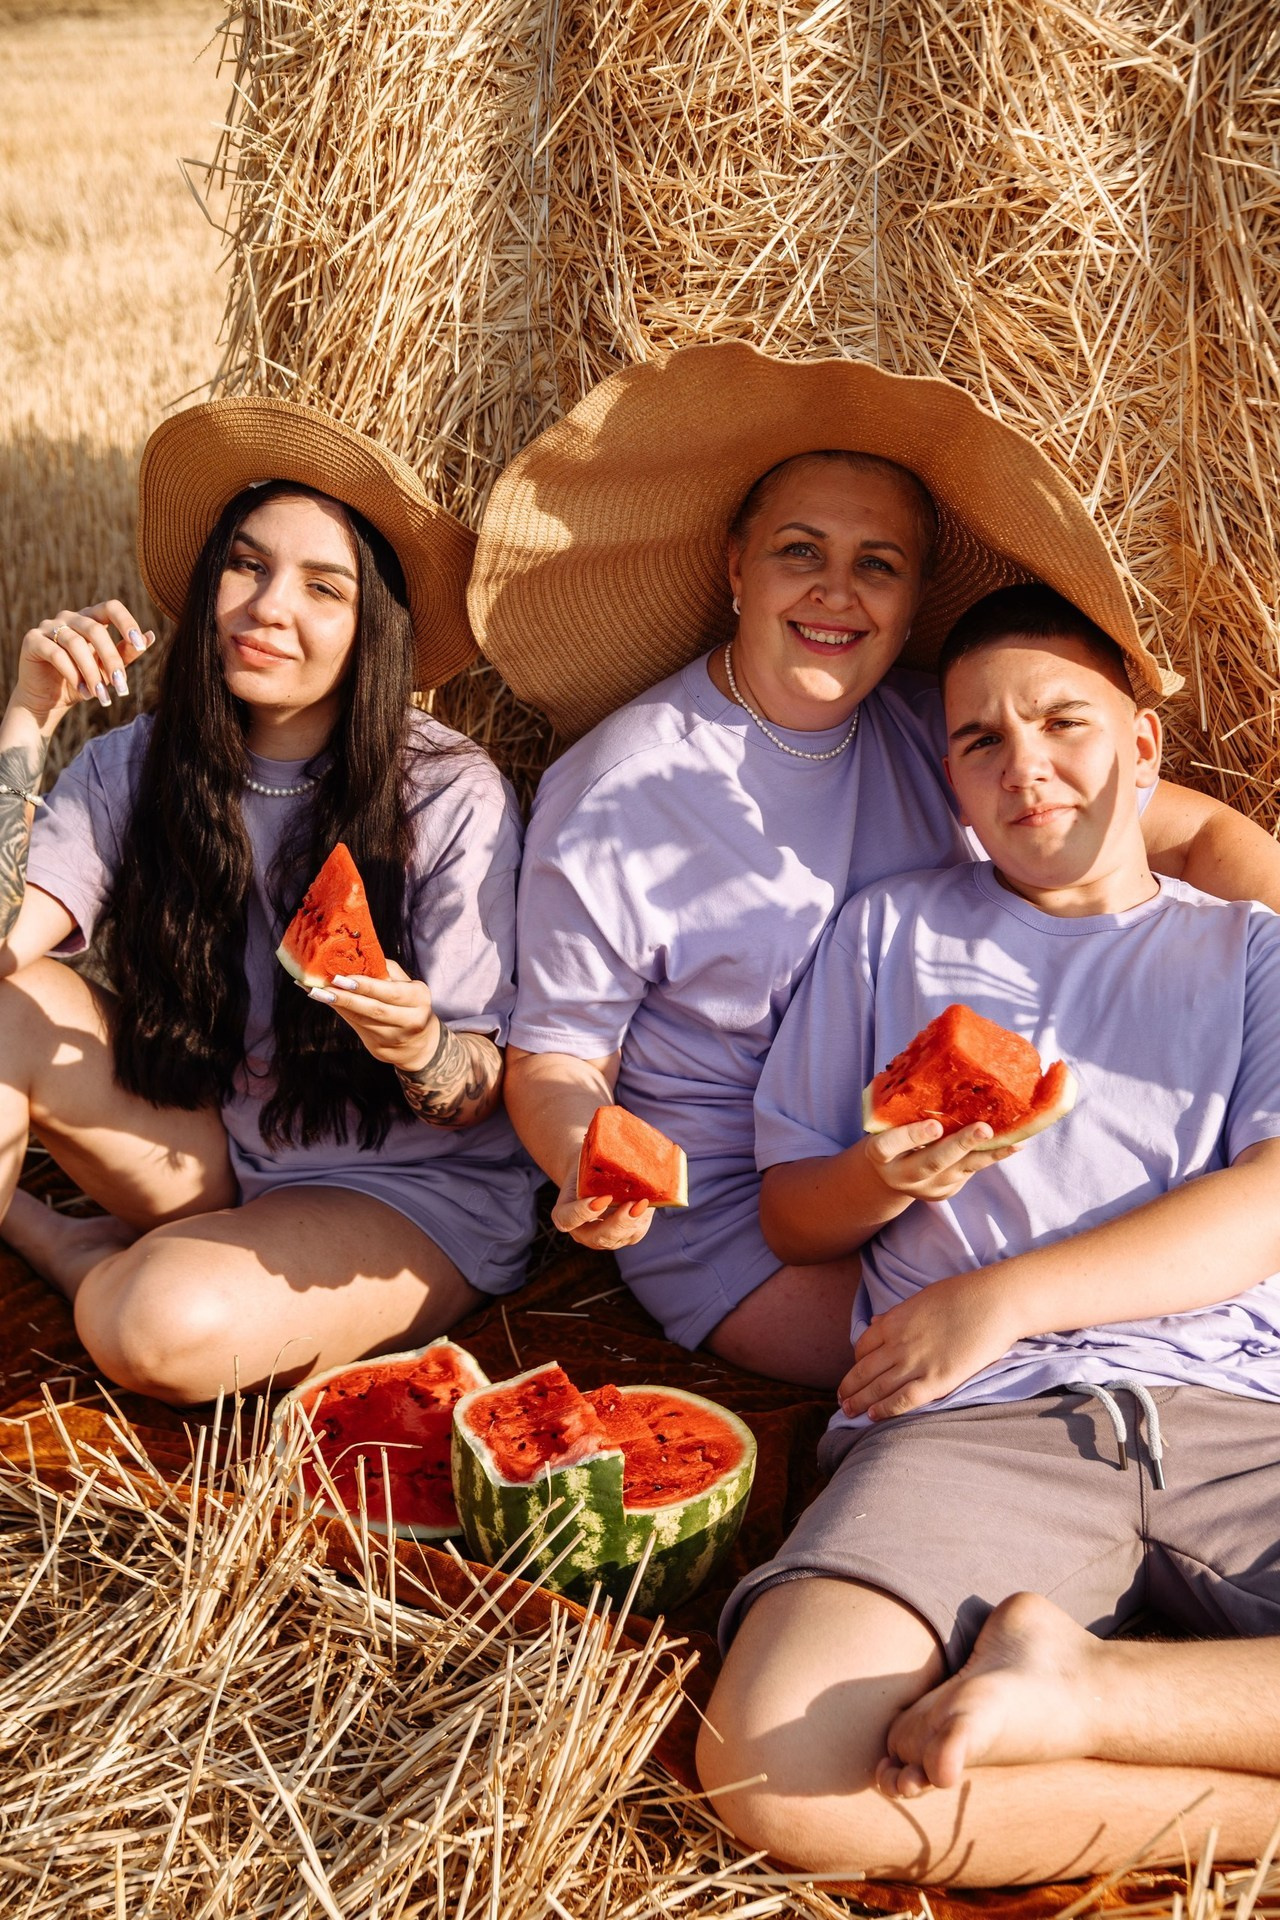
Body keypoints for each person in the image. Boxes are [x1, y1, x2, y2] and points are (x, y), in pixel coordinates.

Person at [467, 341, 1280, 1387]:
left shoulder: (948, 734)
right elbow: (558, 1062)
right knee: (1019, 1363)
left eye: (876, 564)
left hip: (936, 1158)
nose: (835, 593)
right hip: (736, 1210)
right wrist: (593, 1161)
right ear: (735, 568)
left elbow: (1198, 836)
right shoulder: (620, 787)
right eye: (798, 552)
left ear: (911, 598)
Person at [697, 584, 1280, 1885]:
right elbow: (793, 1211)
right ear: (950, 777)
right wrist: (883, 1178)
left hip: (1242, 1416)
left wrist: (1004, 1296)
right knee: (771, 1766)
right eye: (978, 741)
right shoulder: (888, 931)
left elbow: (1271, 1201)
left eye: (1064, 722)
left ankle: (1089, 1698)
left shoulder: (1252, 954)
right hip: (976, 1425)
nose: (1026, 768)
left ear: (1142, 747)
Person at [0, 397, 539, 1405]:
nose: (267, 607)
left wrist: (420, 1044)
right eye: (246, 566)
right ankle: (85, 1237)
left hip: (406, 1188)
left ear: (369, 627)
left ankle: (70, 1253)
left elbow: (479, 1090)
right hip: (217, 1143)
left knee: (154, 1327)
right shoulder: (135, 764)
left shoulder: (447, 790)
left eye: (321, 587)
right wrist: (28, 716)